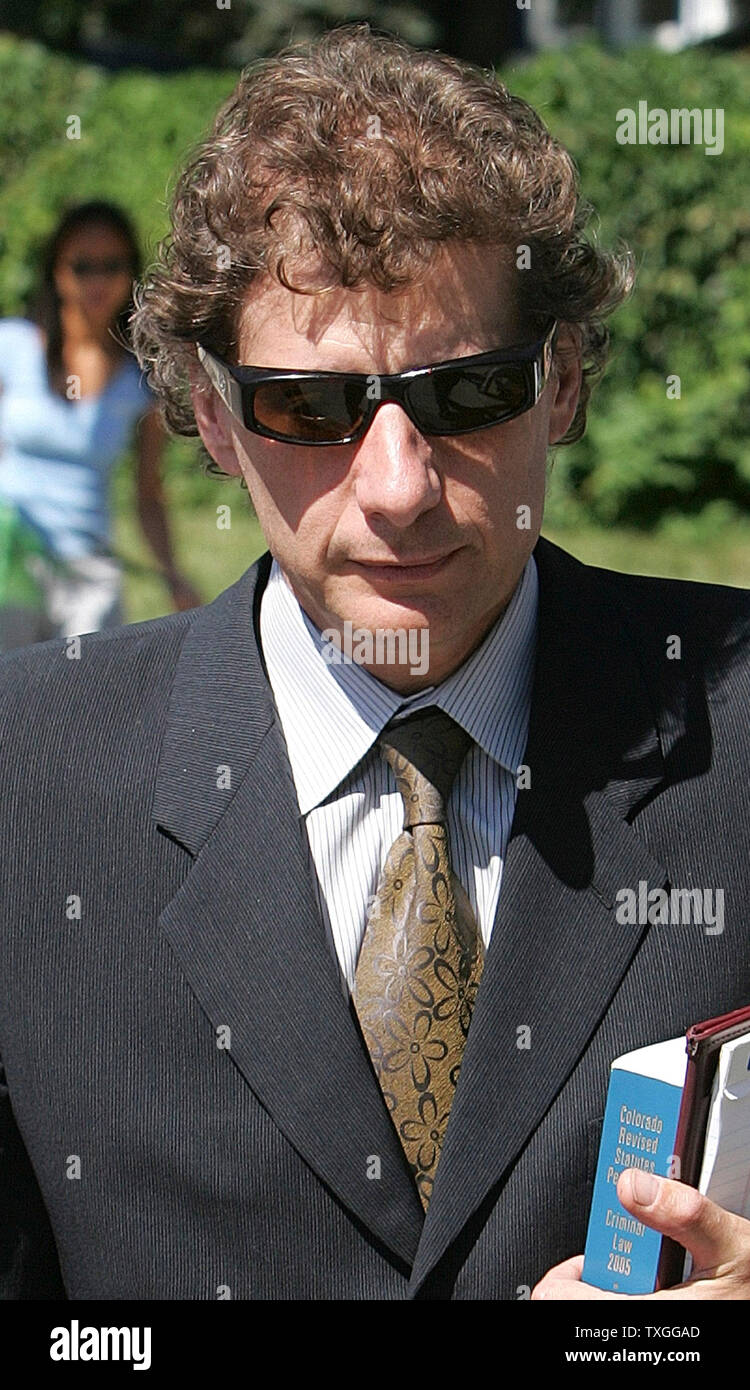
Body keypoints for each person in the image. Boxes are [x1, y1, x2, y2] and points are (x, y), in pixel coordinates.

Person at [0, 24, 749, 1302]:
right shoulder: (26, 776)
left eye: (467, 396)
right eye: (310, 408)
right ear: (212, 417)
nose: (398, 489)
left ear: (564, 383)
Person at [0, 200, 200, 648]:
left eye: (111, 266)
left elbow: (148, 494)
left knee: (85, 688)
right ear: (57, 271)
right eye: (82, 266)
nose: (96, 281)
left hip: (88, 570)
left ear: (130, 275)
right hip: (11, 560)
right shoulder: (10, 347)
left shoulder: (138, 380)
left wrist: (173, 574)